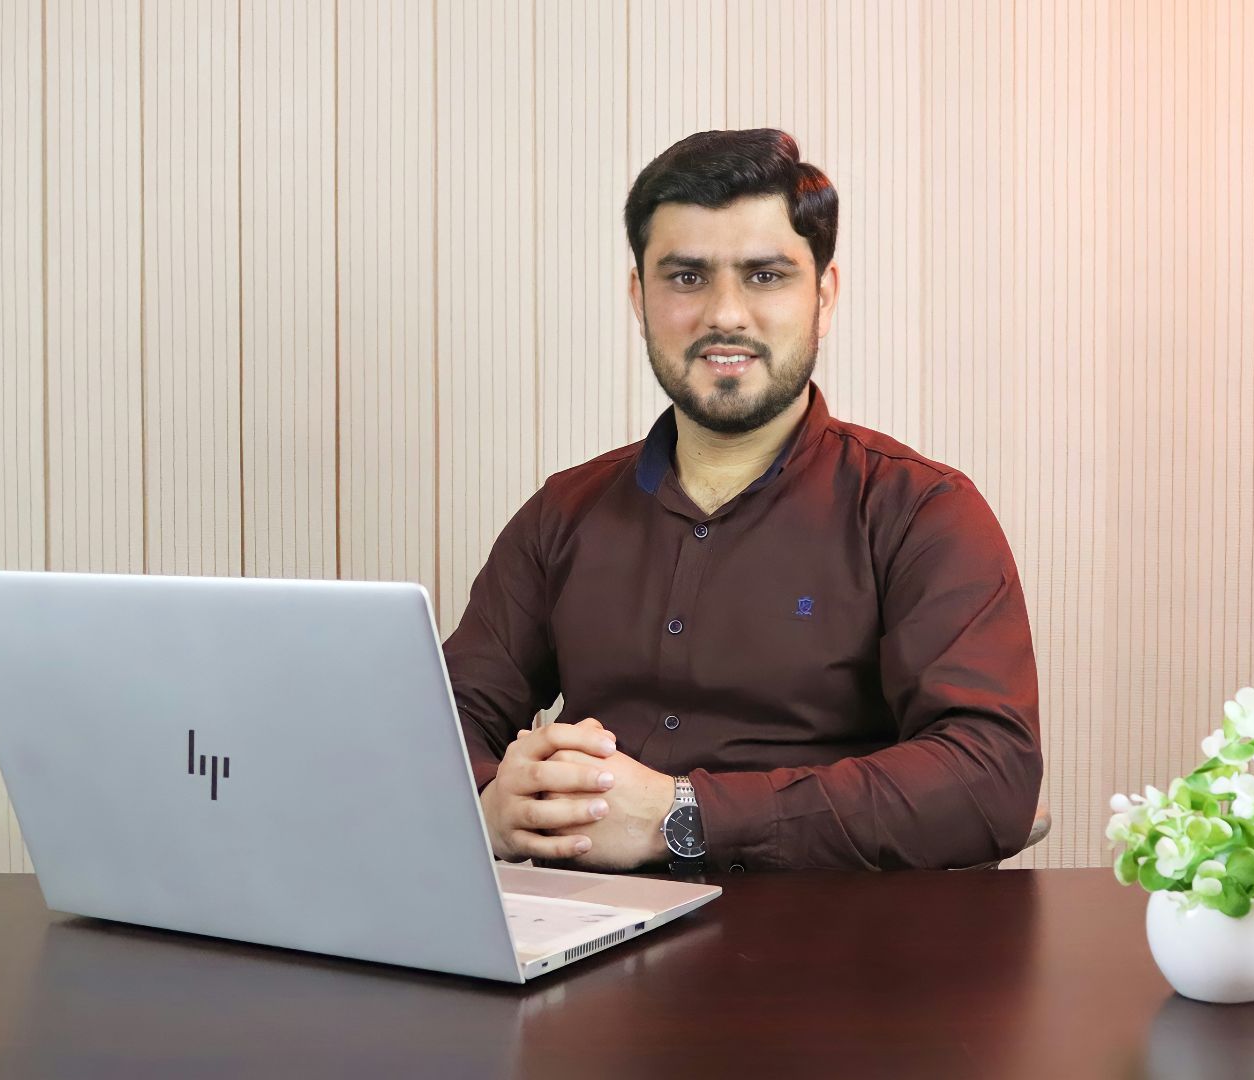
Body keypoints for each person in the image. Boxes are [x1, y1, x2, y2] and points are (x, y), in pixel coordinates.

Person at [446, 128, 1041, 873]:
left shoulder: (922, 512)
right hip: (584, 946)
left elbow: (989, 778)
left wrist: (683, 816)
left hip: (841, 960)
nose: (725, 315)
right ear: (639, 297)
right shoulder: (563, 513)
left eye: (765, 276)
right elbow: (446, 720)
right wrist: (488, 803)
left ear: (822, 297)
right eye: (687, 277)